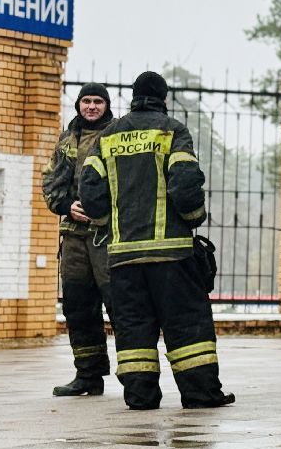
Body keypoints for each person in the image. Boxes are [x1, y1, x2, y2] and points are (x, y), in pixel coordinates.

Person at [79, 71, 234, 411]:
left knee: (133, 329)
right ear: (163, 99)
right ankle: (201, 394)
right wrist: (194, 219)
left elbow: (89, 190)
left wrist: (108, 221)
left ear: (133, 97)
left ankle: (140, 396)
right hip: (171, 255)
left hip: (122, 258)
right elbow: (185, 182)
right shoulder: (172, 131)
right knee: (186, 325)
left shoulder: (107, 136)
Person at [41, 82, 116, 396]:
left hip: (108, 236)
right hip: (73, 237)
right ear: (79, 105)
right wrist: (65, 206)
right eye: (86, 101)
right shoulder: (66, 139)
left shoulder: (117, 135)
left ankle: (136, 377)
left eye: (98, 101)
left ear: (106, 105)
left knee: (119, 305)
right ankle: (88, 375)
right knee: (78, 306)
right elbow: (50, 180)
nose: (92, 107)